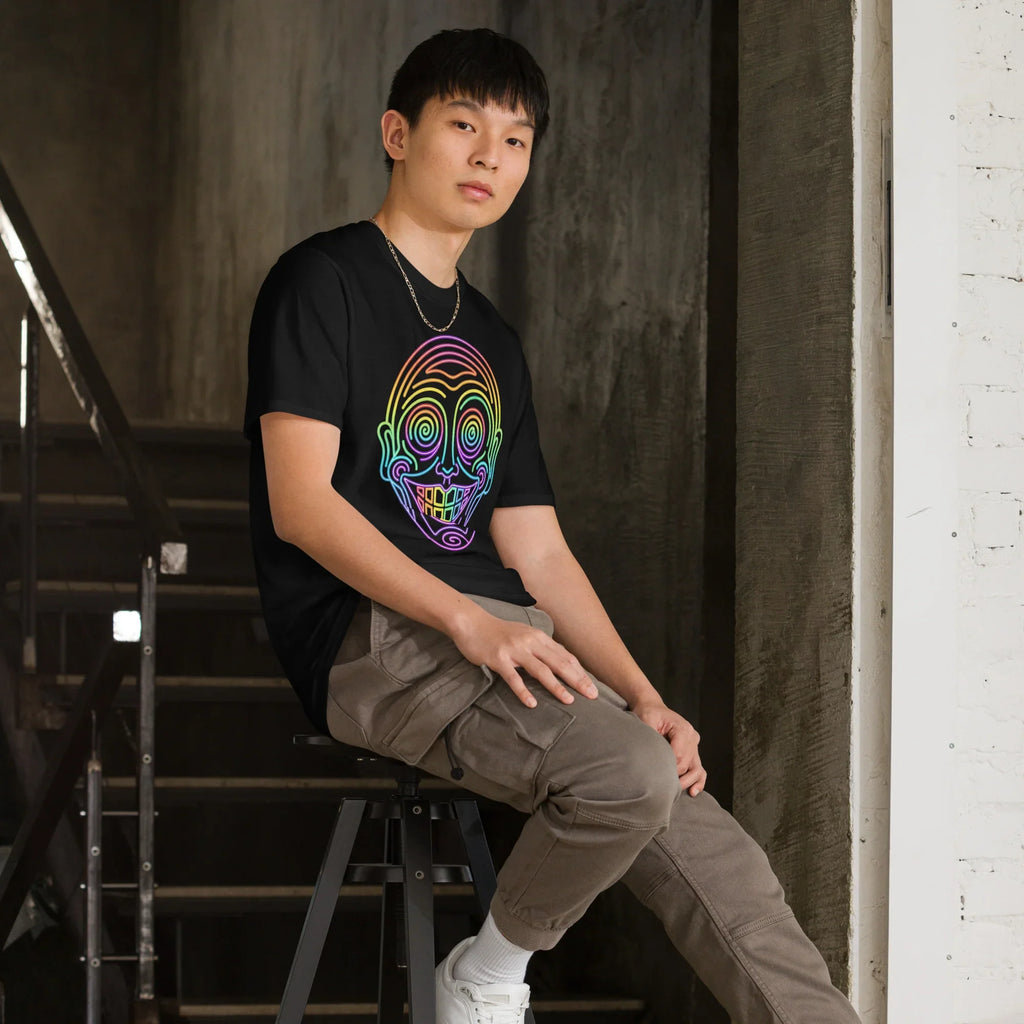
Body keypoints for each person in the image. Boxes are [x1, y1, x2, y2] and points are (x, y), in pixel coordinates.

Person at [243, 27, 862, 1024]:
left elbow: (536, 548)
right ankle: (486, 976)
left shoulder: (491, 336)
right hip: (369, 636)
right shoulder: (323, 283)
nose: (492, 157)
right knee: (621, 774)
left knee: (717, 852)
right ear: (397, 134)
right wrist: (466, 620)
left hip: (498, 632)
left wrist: (643, 693)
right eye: (463, 125)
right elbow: (302, 505)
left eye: (517, 139)